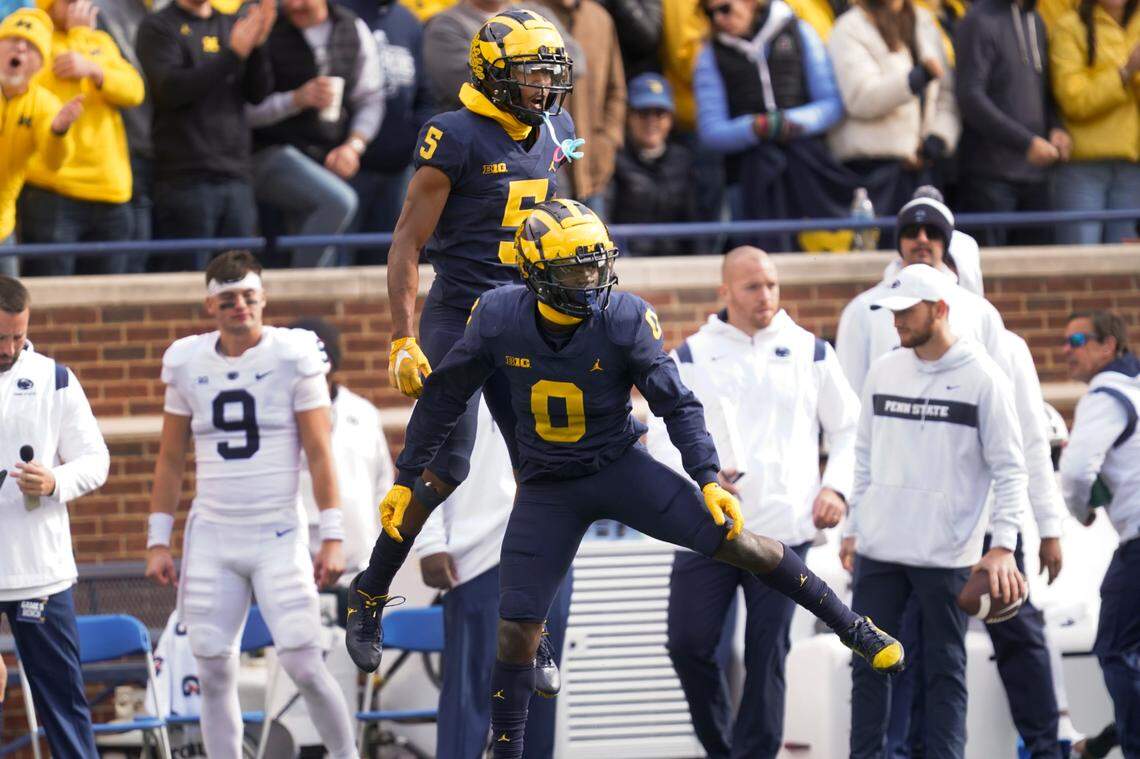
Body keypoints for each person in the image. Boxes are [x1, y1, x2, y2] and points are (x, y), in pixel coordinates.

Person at [379, 198, 904, 758]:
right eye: (574, 269)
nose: (591, 279)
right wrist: (408, 477)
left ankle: (853, 626)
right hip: (547, 487)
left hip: (618, 467)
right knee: (516, 632)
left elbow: (677, 404)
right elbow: (442, 401)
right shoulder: (498, 316)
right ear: (536, 275)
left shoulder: (623, 317)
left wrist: (705, 475)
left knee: (738, 542)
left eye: (595, 263)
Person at [344, 9, 579, 676]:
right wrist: (401, 336)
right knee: (444, 468)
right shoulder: (451, 135)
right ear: (493, 75)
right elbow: (406, 243)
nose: (543, 87)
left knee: (546, 470)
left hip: (522, 317)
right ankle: (370, 590)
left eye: (548, 74)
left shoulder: (551, 131)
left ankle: (531, 622)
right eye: (531, 73)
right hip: (461, 315)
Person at [647, 247, 860, 759]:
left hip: (785, 532)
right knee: (688, 645)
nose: (765, 296)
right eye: (751, 287)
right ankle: (724, 750)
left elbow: (852, 428)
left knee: (767, 655)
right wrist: (702, 476)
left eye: (771, 284)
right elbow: (659, 435)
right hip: (710, 529)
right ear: (725, 292)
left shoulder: (812, 351)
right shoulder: (691, 355)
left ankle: (755, 754)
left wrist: (836, 488)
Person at [143, 251, 358, 759]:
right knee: (214, 670)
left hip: (277, 530)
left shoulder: (293, 355)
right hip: (213, 533)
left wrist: (332, 535)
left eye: (248, 297)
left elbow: (320, 453)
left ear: (263, 300)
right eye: (228, 298)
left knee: (305, 663)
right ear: (210, 304)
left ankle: (348, 755)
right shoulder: (187, 361)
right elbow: (171, 459)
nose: (239, 306)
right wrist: (157, 540)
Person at [846, 263, 1029, 759]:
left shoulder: (983, 377)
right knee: (868, 669)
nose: (897, 321)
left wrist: (1004, 546)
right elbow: (862, 454)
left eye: (908, 311)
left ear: (941, 309)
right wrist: (853, 525)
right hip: (880, 549)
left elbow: (1012, 469)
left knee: (944, 674)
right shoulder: (884, 368)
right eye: (893, 311)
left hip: (949, 555)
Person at [414, 400, 569, 759]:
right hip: (477, 556)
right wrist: (429, 540)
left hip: (548, 548)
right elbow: (420, 455)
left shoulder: (559, 357)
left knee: (538, 692)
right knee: (469, 696)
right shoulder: (454, 364)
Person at [0, 274, 110, 758]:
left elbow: (95, 460)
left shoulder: (53, 377)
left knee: (61, 702)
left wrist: (54, 482)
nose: (9, 347)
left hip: (38, 570)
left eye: (17, 336)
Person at [136, 0, 276, 271]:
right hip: (185, 179)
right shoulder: (158, 26)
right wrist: (233, 55)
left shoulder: (229, 23)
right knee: (187, 280)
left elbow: (257, 93)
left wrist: (257, 45)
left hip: (235, 174)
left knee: (239, 276)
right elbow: (171, 90)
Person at [693, 0, 845, 250]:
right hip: (747, 177)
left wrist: (790, 122)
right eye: (710, 14)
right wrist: (754, 128)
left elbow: (832, 104)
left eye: (724, 9)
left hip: (807, 167)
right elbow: (710, 130)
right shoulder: (709, 55)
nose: (718, 19)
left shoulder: (799, 31)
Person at [1059, 309, 1140, 759]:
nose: (1066, 352)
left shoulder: (1105, 394)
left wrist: (1082, 511)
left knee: (1116, 648)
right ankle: (1109, 740)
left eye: (1077, 342)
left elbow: (1074, 472)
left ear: (1108, 346)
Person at [249, 0, 385, 268]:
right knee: (337, 201)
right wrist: (295, 100)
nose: (294, 5)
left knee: (325, 240)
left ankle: (312, 307)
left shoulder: (352, 26)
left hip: (327, 155)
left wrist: (353, 145)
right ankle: (303, 293)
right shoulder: (268, 28)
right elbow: (243, 111)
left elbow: (371, 98)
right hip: (269, 152)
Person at [17, 0, 143, 277]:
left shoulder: (100, 42)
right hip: (54, 192)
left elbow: (134, 91)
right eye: (70, 2)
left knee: (110, 299)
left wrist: (96, 69)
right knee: (53, 298)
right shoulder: (32, 44)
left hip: (111, 191)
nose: (80, 7)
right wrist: (80, 37)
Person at [836, 195, 1005, 396]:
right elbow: (850, 394)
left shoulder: (980, 311)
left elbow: (998, 388)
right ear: (899, 242)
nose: (922, 239)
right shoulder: (862, 309)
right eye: (912, 232)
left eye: (932, 232)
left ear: (945, 243)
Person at [289, 318, 394, 594]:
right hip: (294, 569)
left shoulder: (363, 413)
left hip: (358, 567)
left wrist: (378, 551)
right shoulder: (276, 416)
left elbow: (382, 485)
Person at [827, 0, 960, 217]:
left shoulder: (925, 23)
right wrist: (914, 79)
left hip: (923, 168)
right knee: (878, 249)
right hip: (872, 173)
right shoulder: (848, 28)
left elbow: (947, 95)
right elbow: (860, 98)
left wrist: (938, 139)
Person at [954, 0, 1069, 246]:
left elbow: (1043, 89)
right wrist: (1025, 143)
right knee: (990, 274)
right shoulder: (978, 20)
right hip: (989, 177)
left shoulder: (1036, 20)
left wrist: (1056, 127)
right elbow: (970, 97)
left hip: (1036, 176)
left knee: (1039, 272)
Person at [0, 7, 83, 277]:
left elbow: (53, 162)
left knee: (10, 310)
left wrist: (59, 131)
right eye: (13, 41)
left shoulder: (44, 104)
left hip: (2, 226)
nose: (20, 49)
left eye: (31, 46)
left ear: (40, 63)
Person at [1049, 0, 1140, 245]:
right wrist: (1124, 72)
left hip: (1132, 169)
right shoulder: (1070, 27)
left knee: (1124, 267)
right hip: (1083, 168)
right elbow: (1074, 101)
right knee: (1078, 262)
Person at [529, 0, 626, 215]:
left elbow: (616, 90)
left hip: (593, 165)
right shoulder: (527, 15)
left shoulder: (600, 18)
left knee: (594, 244)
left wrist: (609, 141)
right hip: (539, 167)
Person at [606, 72, 700, 256]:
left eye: (659, 113)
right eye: (643, 113)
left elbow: (696, 220)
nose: (652, 121)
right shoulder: (614, 161)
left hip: (678, 263)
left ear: (671, 119)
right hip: (629, 264)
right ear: (629, 116)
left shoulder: (684, 161)